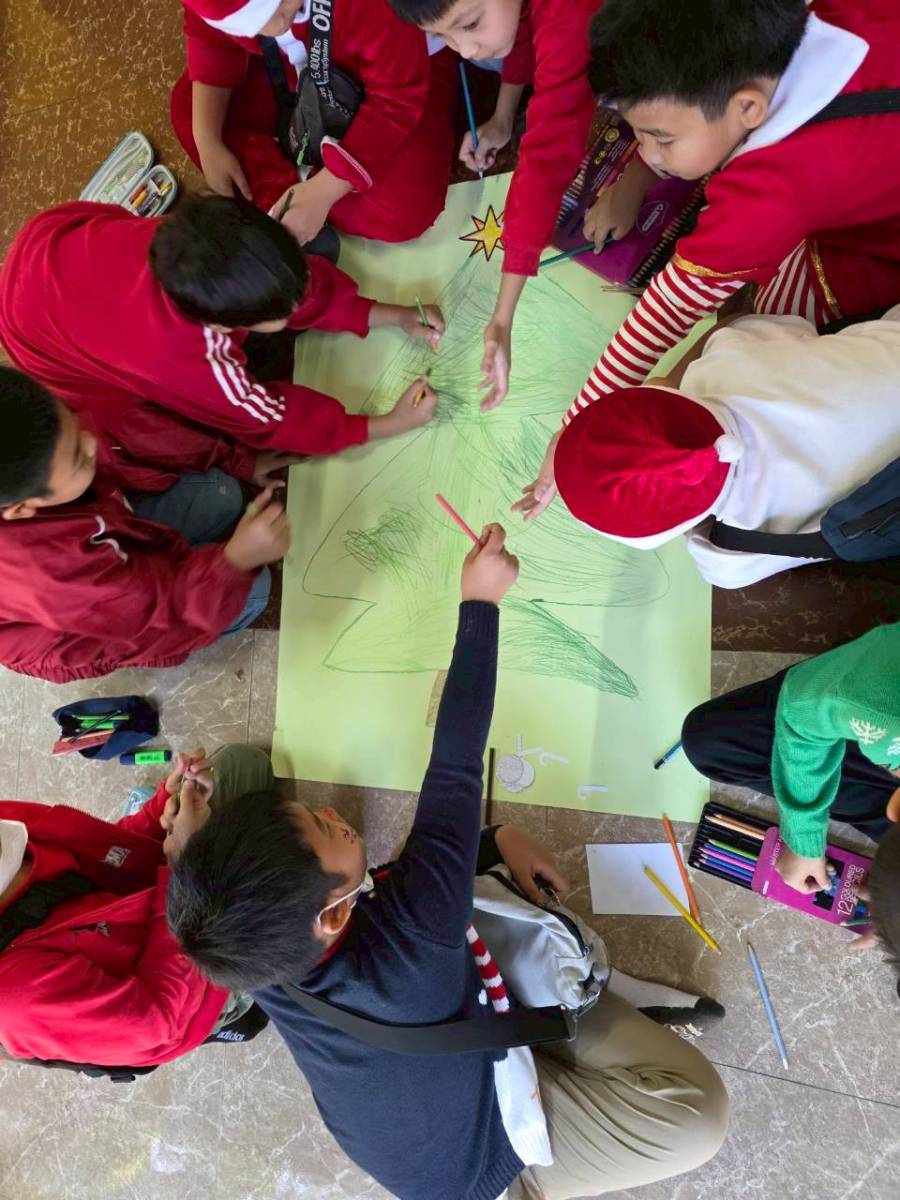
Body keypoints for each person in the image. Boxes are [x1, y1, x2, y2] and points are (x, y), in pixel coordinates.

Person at [169, 525, 728, 1200]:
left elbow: (197, 873)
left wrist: (193, 825)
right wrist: (480, 603)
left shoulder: (246, 943)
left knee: (449, 900)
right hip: (477, 1164)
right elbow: (456, 763)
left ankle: (543, 1002)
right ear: (332, 914)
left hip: (408, 1093)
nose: (336, 814)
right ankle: (575, 1004)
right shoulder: (414, 932)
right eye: (325, 829)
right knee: (696, 1116)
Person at [519, 0, 900, 520]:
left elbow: (670, 307)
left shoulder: (770, 192)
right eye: (638, 133)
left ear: (748, 108)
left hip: (877, 256)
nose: (648, 154)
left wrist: (577, 425)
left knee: (763, 322)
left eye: (662, 138)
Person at [0, 195, 439, 465]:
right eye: (279, 314)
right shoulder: (186, 360)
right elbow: (267, 419)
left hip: (46, 242)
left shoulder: (194, 237)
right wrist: (386, 424)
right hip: (44, 348)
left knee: (316, 252)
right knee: (168, 426)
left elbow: (289, 283)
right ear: (221, 326)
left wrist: (390, 314)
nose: (296, 303)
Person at [551, 305, 900, 587]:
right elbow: (739, 321)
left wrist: (687, 513)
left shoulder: (731, 549)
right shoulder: (727, 358)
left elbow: (720, 570)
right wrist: (671, 380)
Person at [0, 744, 273, 1074]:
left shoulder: (8, 830)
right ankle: (235, 1009)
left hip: (159, 901)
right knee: (284, 887)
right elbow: (160, 1019)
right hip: (188, 980)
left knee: (242, 765)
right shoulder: (17, 1002)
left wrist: (161, 812)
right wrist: (184, 866)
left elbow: (103, 857)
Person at [0, 370, 289, 682]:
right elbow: (166, 615)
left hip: (97, 524)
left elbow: (127, 434)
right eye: (78, 458)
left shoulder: (43, 447)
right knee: (254, 591)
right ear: (22, 508)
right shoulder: (51, 578)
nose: (91, 443)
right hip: (91, 626)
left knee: (221, 493)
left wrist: (237, 459)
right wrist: (235, 562)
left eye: (72, 421)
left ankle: (175, 563)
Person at [388, 0, 600, 410]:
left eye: (470, 24)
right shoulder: (517, 17)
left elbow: (548, 153)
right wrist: (503, 119)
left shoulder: (571, 16)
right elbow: (524, 25)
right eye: (443, 36)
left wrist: (502, 317)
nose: (465, 50)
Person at [172, 0, 457, 245]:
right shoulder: (253, 19)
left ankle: (295, 202)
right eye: (246, 25)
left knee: (405, 209)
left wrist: (325, 190)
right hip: (300, 75)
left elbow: (397, 103)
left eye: (277, 9)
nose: (273, 27)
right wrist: (207, 140)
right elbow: (210, 38)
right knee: (190, 111)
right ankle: (292, 207)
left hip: (404, 74)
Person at [682, 622, 900, 926]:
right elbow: (802, 706)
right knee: (709, 740)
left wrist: (892, 910)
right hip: (854, 698)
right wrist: (803, 836)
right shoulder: (882, 702)